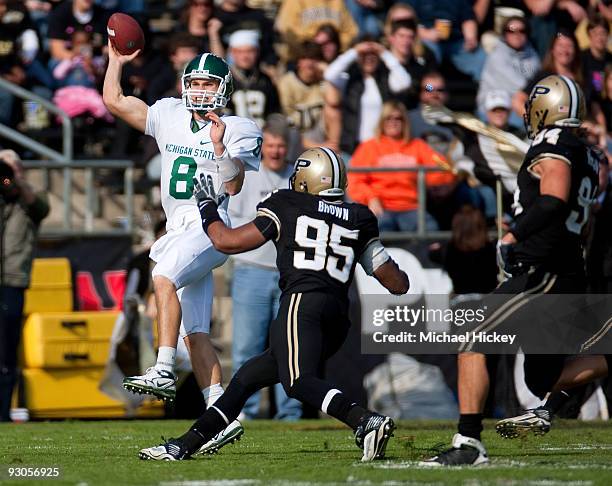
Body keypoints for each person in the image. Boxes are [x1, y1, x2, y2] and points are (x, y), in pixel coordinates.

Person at [138, 147, 410, 461]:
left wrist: (207, 206)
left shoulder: (286, 203)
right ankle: (183, 445)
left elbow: (226, 241)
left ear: (307, 178)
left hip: (301, 306)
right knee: (246, 378)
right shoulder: (359, 217)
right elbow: (397, 283)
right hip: (336, 317)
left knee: (297, 381)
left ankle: (364, 420)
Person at [421, 75, 601, 466]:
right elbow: (583, 221)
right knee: (542, 379)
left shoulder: (554, 143)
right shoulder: (587, 152)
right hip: (565, 270)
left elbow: (553, 198)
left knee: (471, 335)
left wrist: (513, 236)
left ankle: (468, 442)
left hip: (544, 273)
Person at [103, 43, 262, 452]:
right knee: (195, 333)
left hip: (209, 225)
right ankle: (222, 414)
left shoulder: (240, 127)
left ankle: (162, 368)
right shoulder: (170, 113)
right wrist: (116, 62)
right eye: (194, 82)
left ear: (223, 87)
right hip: (179, 227)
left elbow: (233, 185)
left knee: (162, 275)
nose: (200, 89)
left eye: (208, 82)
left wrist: (221, 146)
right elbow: (115, 101)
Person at [227, 119, 302, 421]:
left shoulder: (297, 176)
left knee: (289, 348)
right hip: (251, 269)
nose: (275, 151)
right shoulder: (248, 173)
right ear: (262, 146)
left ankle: (291, 413)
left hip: (289, 274)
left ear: (288, 148)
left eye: (280, 146)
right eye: (270, 145)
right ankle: (244, 411)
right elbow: (232, 218)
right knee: (247, 347)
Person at [348, 100, 455, 232]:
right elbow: (354, 180)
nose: (393, 122)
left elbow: (442, 172)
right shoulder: (369, 147)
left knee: (431, 230)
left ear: (405, 122)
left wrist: (448, 180)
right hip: (382, 207)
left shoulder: (417, 145)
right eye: (388, 118)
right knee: (378, 231)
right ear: (382, 121)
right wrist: (371, 198)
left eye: (398, 118)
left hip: (411, 208)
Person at [0, 149, 50, 421]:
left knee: (8, 349)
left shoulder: (29, 198)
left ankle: (4, 412)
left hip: (12, 280)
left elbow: (40, 208)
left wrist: (15, 179)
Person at [324, 37, 411, 156]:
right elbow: (329, 74)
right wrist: (355, 51)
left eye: (373, 55)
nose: (369, 58)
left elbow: (405, 82)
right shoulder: (349, 79)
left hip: (380, 146)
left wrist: (384, 53)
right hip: (351, 148)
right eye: (364, 55)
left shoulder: (386, 79)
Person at [476, 15, 540, 129]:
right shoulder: (497, 56)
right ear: (505, 34)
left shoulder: (532, 55)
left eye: (522, 31)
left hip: (520, 105)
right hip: (493, 107)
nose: (517, 35)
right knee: (528, 124)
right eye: (511, 31)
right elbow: (522, 87)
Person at [512, 30, 583, 120]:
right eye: (560, 45)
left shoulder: (581, 79)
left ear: (576, 50)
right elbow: (518, 100)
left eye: (569, 46)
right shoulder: (544, 77)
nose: (565, 50)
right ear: (552, 50)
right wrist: (536, 122)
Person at [225, 30, 280, 128]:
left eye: (250, 51)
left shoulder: (265, 80)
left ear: (257, 52)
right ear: (232, 53)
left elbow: (274, 113)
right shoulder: (225, 80)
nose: (245, 56)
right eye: (240, 51)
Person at [278, 42, 325, 149]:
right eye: (305, 58)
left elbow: (335, 102)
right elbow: (287, 119)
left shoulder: (323, 82)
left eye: (314, 58)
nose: (310, 63)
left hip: (317, 134)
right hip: (293, 136)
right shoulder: (287, 82)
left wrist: (326, 72)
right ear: (298, 62)